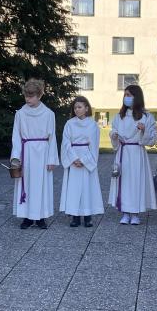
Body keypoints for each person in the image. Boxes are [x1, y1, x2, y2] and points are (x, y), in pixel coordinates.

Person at [11, 79, 58, 228]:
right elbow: (16, 136)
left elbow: (52, 138)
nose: (27, 99)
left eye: (31, 96)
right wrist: (16, 157)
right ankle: (26, 217)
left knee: (41, 185)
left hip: (43, 154)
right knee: (27, 184)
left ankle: (41, 217)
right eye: (26, 96)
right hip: (27, 152)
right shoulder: (20, 114)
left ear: (39, 95)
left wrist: (52, 159)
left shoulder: (48, 114)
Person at [109, 85, 157, 225]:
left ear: (137, 97)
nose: (126, 98)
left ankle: (135, 213)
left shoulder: (146, 116)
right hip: (123, 152)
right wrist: (114, 135)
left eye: (129, 95)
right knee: (124, 182)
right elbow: (113, 131)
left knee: (136, 182)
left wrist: (144, 130)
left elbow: (152, 139)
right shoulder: (119, 116)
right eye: (125, 95)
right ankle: (125, 212)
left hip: (137, 153)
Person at [60, 96, 103, 228]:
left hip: (86, 158)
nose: (77, 110)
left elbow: (94, 144)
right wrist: (74, 159)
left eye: (79, 107)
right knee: (74, 188)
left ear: (86, 108)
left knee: (87, 187)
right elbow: (66, 143)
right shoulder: (69, 123)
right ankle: (75, 216)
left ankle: (88, 216)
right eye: (75, 107)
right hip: (73, 158)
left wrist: (84, 160)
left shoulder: (92, 124)